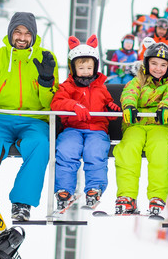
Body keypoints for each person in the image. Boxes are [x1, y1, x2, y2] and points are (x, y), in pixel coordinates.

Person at [0, 12, 59, 222]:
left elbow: (52, 104)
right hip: (1, 117)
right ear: (10, 33)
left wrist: (46, 82)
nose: (22, 38)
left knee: (41, 144)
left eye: (27, 33)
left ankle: (22, 204)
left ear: (34, 36)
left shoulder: (45, 58)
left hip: (35, 119)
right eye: (18, 32)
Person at [50, 34, 121, 209]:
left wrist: (112, 110)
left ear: (95, 67)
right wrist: (73, 106)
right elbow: (56, 103)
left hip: (97, 130)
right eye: (81, 68)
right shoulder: (67, 87)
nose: (86, 72)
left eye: (89, 68)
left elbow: (107, 110)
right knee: (67, 150)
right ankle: (64, 190)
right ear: (73, 68)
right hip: (72, 128)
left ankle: (94, 189)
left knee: (95, 152)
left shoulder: (101, 88)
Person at [114, 42, 168, 216]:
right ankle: (127, 196)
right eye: (154, 63)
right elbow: (129, 93)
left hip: (159, 125)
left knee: (160, 151)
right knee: (128, 148)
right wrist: (129, 105)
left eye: (163, 65)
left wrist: (166, 107)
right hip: (136, 124)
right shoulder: (138, 81)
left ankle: (157, 197)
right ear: (146, 64)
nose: (158, 68)